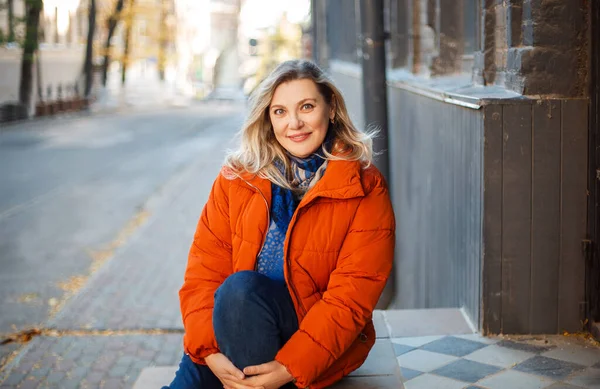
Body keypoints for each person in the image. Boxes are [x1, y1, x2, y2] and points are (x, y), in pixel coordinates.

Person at [164, 60, 395, 389]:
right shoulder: (237, 179)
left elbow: (350, 298)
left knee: (240, 291)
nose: (295, 123)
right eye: (280, 112)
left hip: (309, 343)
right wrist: (209, 352)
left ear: (330, 109)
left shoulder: (364, 186)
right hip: (232, 330)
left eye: (307, 106)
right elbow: (204, 273)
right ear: (267, 119)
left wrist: (290, 366)